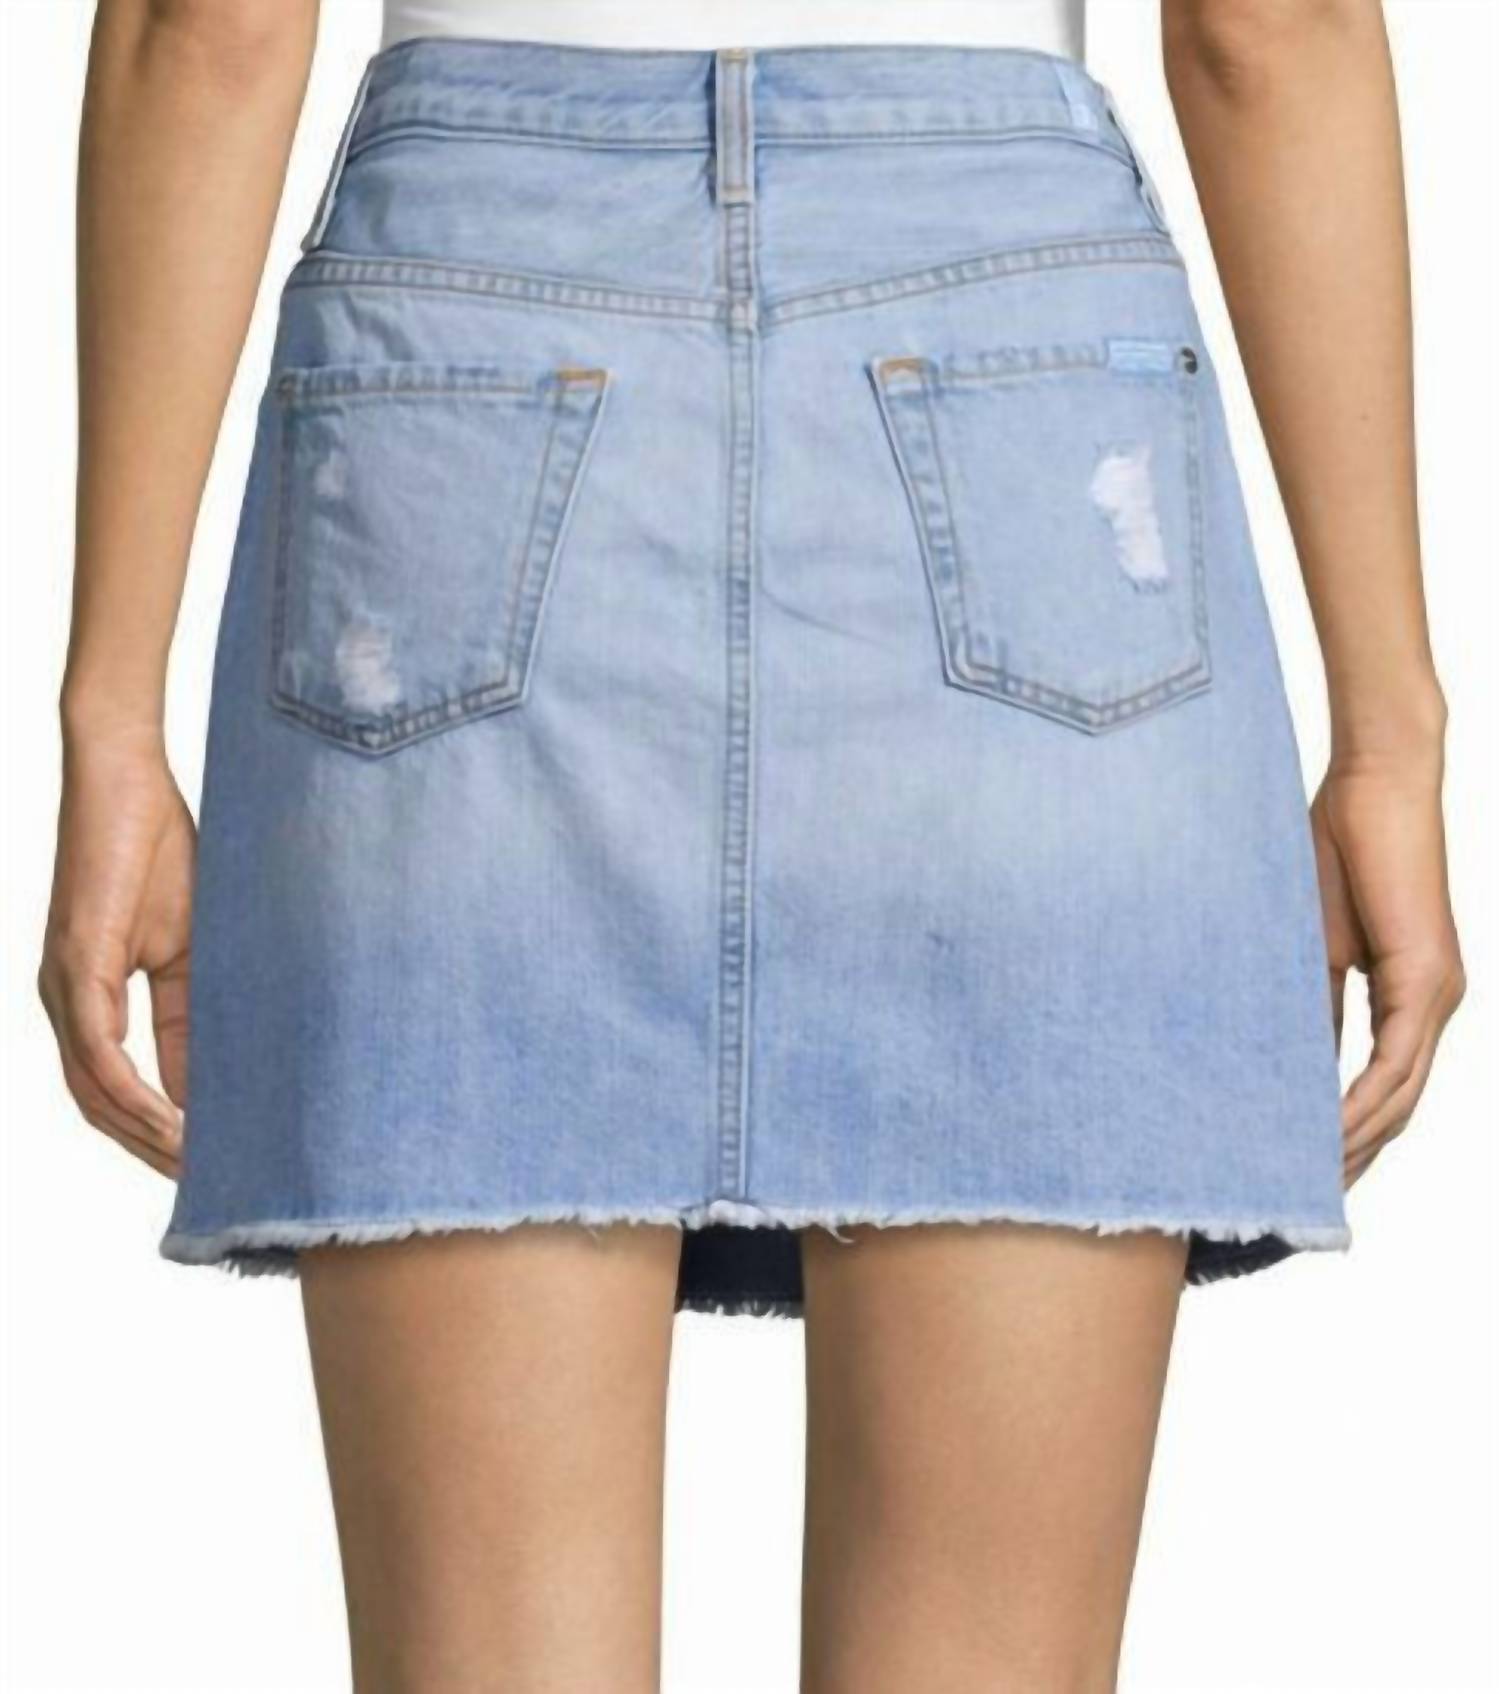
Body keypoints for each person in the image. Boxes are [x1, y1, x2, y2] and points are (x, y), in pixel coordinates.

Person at [39, 1, 1465, 1688]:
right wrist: (1391, 731)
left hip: (465, 346)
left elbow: (211, 25)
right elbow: (1263, 27)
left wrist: (109, 715)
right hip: (1020, 371)